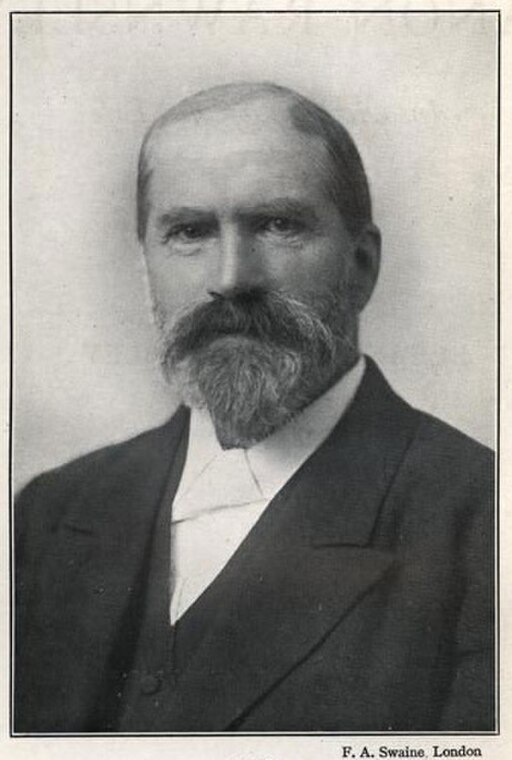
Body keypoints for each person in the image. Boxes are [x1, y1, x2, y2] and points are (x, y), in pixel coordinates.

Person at [14, 82, 494, 734]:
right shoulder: (50, 513)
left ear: (363, 265)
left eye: (277, 224)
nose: (232, 276)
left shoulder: (483, 523)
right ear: (146, 266)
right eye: (189, 232)